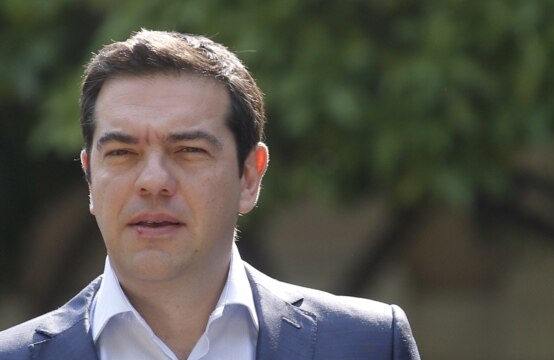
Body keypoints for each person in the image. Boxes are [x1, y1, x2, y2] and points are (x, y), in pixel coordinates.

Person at [0, 29, 420, 360]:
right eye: (122, 152)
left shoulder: (366, 345)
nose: (152, 181)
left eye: (188, 151)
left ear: (250, 177)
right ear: (90, 178)